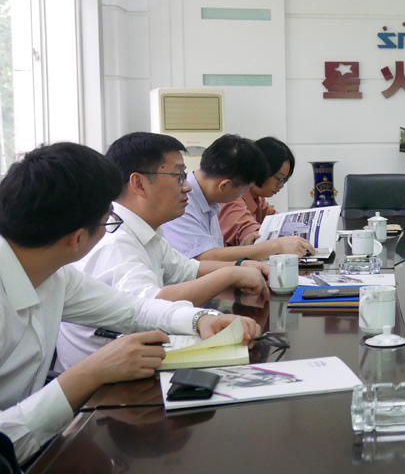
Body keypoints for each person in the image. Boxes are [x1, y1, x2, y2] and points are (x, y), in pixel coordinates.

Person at [0, 143, 261, 464]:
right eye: (107, 221)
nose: (112, 228)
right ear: (77, 238)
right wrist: (91, 372)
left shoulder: (56, 276)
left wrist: (202, 320)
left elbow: (133, 308)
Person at [56, 132, 273, 371]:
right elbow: (146, 306)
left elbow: (187, 269)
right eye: (178, 176)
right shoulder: (115, 241)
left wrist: (242, 268)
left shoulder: (144, 230)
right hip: (108, 382)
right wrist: (230, 275)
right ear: (139, 184)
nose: (187, 186)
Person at [162, 134, 314, 261]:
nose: (184, 186)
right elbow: (204, 259)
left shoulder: (209, 199)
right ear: (225, 185)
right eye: (244, 191)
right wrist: (275, 246)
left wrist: (243, 251)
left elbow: (211, 255)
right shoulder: (182, 201)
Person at [218, 136, 294, 247]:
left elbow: (280, 222)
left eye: (284, 180)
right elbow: (251, 234)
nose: (281, 185)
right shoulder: (233, 196)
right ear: (261, 170)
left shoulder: (257, 199)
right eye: (279, 178)